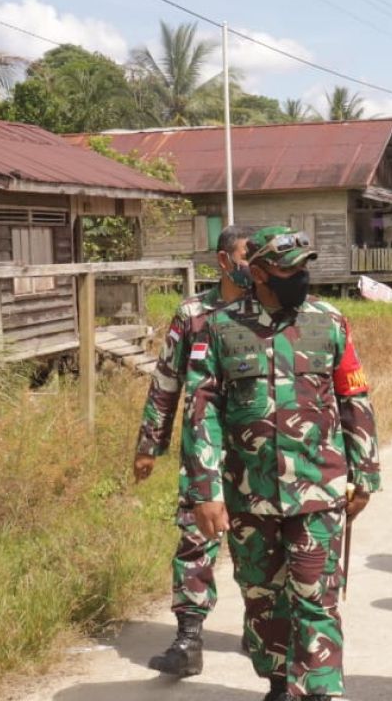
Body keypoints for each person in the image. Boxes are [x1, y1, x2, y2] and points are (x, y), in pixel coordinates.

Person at [182, 226, 381, 701]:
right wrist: (205, 492)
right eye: (289, 268)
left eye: (304, 266)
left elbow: (354, 397)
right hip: (249, 495)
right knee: (262, 602)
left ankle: (321, 691)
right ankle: (277, 682)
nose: (301, 276)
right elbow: (201, 411)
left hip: (318, 489)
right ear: (261, 271)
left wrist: (365, 474)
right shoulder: (220, 326)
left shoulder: (329, 321)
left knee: (316, 599)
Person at [135, 225, 252, 677]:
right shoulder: (192, 314)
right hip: (205, 454)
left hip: (257, 456)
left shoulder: (268, 309)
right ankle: (188, 639)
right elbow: (166, 382)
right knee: (195, 543)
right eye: (246, 256)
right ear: (224, 261)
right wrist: (150, 444)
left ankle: (260, 627)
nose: (252, 265)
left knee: (256, 544)